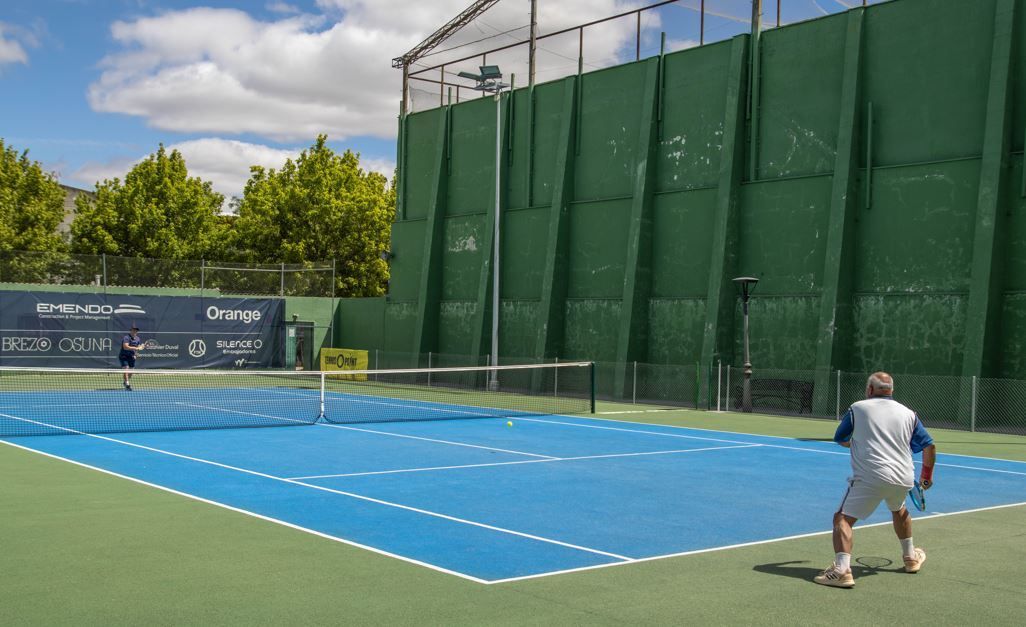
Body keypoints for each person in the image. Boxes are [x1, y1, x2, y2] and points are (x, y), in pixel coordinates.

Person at [814, 371, 936, 588]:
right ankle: (910, 557)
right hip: (903, 477)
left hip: (870, 477)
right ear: (891, 390)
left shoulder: (858, 408)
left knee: (842, 519)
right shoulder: (908, 413)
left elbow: (840, 438)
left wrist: (857, 444)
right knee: (899, 510)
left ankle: (842, 570)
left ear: (870, 390)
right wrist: (926, 476)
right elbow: (929, 445)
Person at [119, 326, 145, 391]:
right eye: (133, 330)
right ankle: (127, 384)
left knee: (131, 372)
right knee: (126, 369)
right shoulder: (126, 338)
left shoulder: (138, 339)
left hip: (131, 357)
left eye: (136, 331)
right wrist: (136, 348)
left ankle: (125, 381)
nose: (135, 332)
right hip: (124, 356)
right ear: (131, 330)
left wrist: (136, 354)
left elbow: (137, 347)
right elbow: (125, 347)